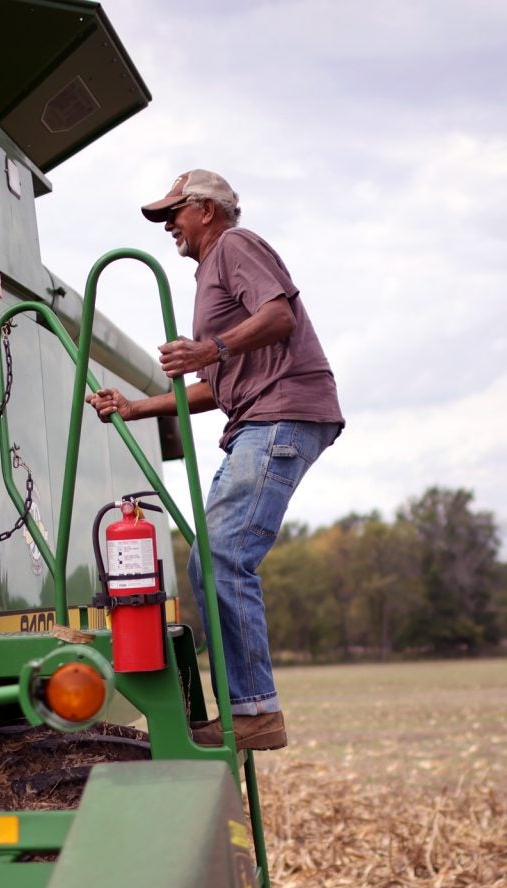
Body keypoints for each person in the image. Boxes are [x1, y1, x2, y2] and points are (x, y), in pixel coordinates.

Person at [85, 170, 343, 751]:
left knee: (223, 553)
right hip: (257, 418)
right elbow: (215, 386)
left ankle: (254, 711)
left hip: (281, 416)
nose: (169, 226)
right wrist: (135, 408)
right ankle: (248, 707)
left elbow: (281, 316)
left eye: (174, 212)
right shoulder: (210, 274)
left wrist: (212, 346)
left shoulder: (235, 246)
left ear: (206, 208)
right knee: (210, 556)